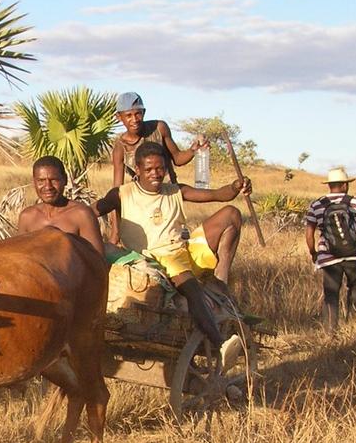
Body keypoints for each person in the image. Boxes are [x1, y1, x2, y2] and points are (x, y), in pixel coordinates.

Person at [94, 143, 251, 353]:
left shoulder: (176, 191)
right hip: (159, 259)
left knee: (231, 213)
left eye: (160, 168)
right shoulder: (122, 193)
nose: (155, 174)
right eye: (149, 169)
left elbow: (216, 194)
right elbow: (91, 212)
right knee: (192, 290)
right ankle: (219, 343)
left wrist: (234, 187)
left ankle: (220, 282)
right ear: (138, 169)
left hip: (183, 251)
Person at [107, 92, 207, 243]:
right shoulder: (120, 147)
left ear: (144, 113)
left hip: (168, 196)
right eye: (128, 115)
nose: (134, 119)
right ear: (119, 117)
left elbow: (177, 158)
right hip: (143, 200)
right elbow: (118, 190)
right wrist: (115, 230)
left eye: (138, 114)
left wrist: (193, 150)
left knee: (173, 239)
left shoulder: (159, 129)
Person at [305, 167, 356, 334]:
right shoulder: (355, 202)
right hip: (353, 255)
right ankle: (354, 327)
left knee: (331, 293)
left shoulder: (317, 204)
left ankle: (330, 331)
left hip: (328, 257)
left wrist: (314, 253)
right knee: (355, 287)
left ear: (330, 185)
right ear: (344, 185)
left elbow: (309, 232)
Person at [16, 155, 105, 255]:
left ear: (65, 180)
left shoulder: (81, 215)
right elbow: (20, 256)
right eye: (41, 181)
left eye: (54, 180)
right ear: (34, 182)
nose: (48, 187)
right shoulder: (27, 217)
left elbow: (97, 260)